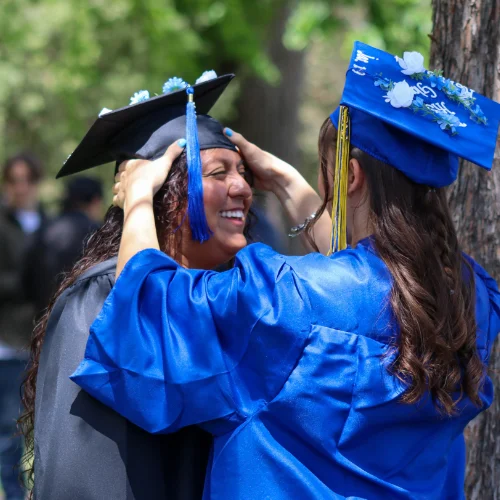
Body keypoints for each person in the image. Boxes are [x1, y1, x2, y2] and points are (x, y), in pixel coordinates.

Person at [72, 42, 500, 499]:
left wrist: (138, 197)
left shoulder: (285, 301)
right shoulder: (472, 300)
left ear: (350, 175)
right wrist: (288, 182)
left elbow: (149, 317)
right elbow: (374, 274)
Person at [19, 72, 254, 500]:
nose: (242, 187)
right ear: (165, 193)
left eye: (244, 172)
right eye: (218, 172)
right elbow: (92, 472)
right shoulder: (101, 298)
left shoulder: (212, 294)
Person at [0, 152, 45, 500]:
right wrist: (28, 282)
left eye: (26, 179)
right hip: (8, 340)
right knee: (8, 429)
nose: (21, 187)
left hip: (43, 338)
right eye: (14, 180)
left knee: (44, 427)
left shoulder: (48, 222)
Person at [25, 176, 104, 314]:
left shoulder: (43, 230)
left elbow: (26, 280)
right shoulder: (99, 235)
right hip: (83, 320)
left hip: (41, 321)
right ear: (96, 201)